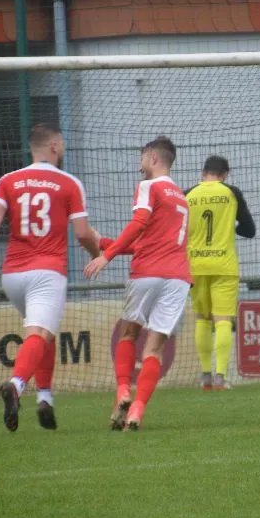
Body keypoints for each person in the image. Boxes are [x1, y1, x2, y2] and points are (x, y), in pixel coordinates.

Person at [0, 124, 100, 432]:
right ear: (54, 146)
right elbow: (82, 233)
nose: (63, 148)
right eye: (62, 143)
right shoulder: (69, 183)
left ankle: (45, 398)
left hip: (13, 275)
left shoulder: (8, 180)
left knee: (45, 334)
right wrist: (98, 253)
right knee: (39, 333)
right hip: (46, 271)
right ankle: (16, 385)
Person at [84, 135, 191, 432]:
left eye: (143, 156)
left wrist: (106, 255)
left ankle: (123, 392)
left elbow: (140, 223)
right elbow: (148, 241)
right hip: (178, 278)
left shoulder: (148, 186)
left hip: (147, 273)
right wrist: (104, 242)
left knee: (129, 334)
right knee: (154, 350)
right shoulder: (181, 198)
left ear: (153, 157)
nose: (140, 163)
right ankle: (136, 413)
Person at [184, 155, 255, 390]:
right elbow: (249, 230)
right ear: (225, 174)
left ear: (203, 172)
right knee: (223, 320)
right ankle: (221, 377)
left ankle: (205, 376)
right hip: (224, 265)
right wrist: (230, 226)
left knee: (202, 319)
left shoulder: (188, 195)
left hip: (195, 265)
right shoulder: (231, 193)